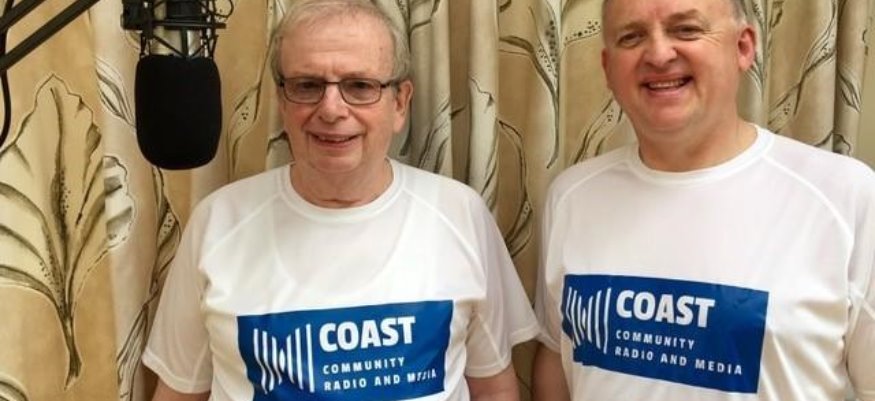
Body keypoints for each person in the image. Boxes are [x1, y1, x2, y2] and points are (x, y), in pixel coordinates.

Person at [141, 1, 539, 400]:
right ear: (282, 101)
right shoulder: (217, 223)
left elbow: (493, 389)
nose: (331, 110)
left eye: (360, 86)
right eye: (307, 86)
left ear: (400, 103)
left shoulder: (460, 214)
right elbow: (179, 393)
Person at [533, 0, 875, 400]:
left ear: (743, 47)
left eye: (686, 30)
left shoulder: (846, 196)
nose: (659, 54)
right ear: (608, 68)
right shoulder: (572, 197)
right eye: (632, 37)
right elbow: (557, 356)